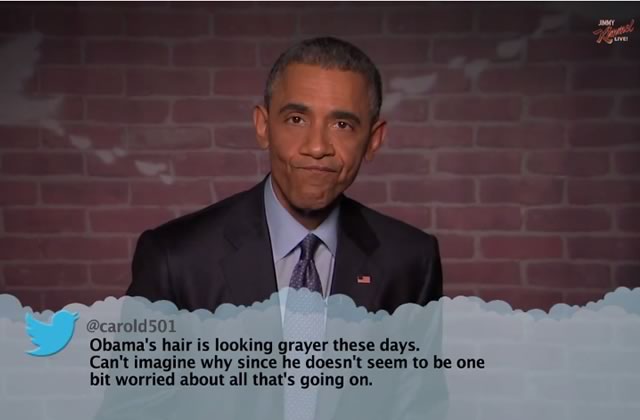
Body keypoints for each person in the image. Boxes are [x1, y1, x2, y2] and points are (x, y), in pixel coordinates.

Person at [126, 36, 443, 315]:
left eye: (342, 125)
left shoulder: (412, 262)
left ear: (373, 140)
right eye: (296, 119)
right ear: (263, 127)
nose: (317, 147)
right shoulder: (174, 259)